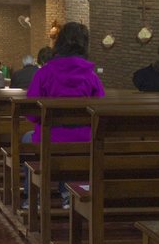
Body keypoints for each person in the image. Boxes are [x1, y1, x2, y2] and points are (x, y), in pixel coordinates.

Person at [22, 21, 105, 209]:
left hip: (49, 137)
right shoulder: (91, 75)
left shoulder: (45, 73)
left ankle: (32, 198)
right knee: (72, 146)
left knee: (27, 139)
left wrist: (41, 121)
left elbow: (31, 111)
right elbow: (101, 108)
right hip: (85, 139)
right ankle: (69, 194)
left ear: (59, 43)